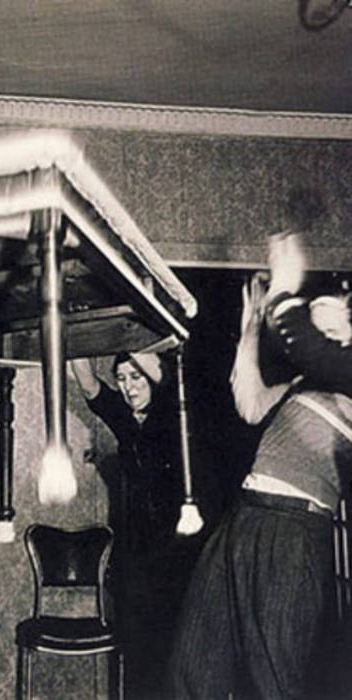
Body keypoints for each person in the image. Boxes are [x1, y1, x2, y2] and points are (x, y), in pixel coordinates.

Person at [169, 232, 352, 699]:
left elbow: (305, 345)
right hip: (244, 519)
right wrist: (251, 328)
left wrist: (284, 292)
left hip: (292, 534)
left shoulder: (343, 374)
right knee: (194, 664)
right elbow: (250, 404)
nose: (318, 313)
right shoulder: (306, 382)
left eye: (330, 310)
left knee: (274, 681)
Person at [71, 351, 213, 697]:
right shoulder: (125, 418)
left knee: (178, 651)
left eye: (136, 377)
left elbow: (166, 376)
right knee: (138, 651)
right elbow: (88, 385)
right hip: (138, 555)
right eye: (121, 378)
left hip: (181, 554)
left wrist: (134, 336)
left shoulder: (173, 411)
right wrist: (75, 334)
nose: (128, 387)